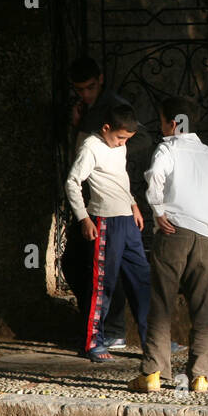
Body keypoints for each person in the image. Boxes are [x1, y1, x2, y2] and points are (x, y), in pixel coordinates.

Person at [131, 97, 208, 393]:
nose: (161, 127)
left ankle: (153, 373)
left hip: (172, 233)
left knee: (161, 303)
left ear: (173, 123)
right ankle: (200, 377)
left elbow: (154, 176)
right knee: (201, 306)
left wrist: (157, 210)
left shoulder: (167, 148)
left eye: (161, 121)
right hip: (202, 238)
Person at [65, 102, 151, 362]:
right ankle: (94, 342)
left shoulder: (120, 147)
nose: (123, 143)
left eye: (127, 139)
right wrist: (83, 218)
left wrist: (133, 203)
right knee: (104, 284)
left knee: (142, 279)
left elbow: (120, 177)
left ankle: (154, 341)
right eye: (120, 137)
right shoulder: (91, 147)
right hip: (105, 222)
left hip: (127, 220)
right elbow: (72, 182)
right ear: (106, 128)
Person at [62, 56, 133, 348]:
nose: (86, 94)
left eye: (90, 88)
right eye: (80, 90)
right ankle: (98, 324)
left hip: (105, 201)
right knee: (77, 262)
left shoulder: (114, 108)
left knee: (105, 265)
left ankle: (111, 328)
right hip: (88, 199)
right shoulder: (86, 108)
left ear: (101, 79)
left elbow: (132, 144)